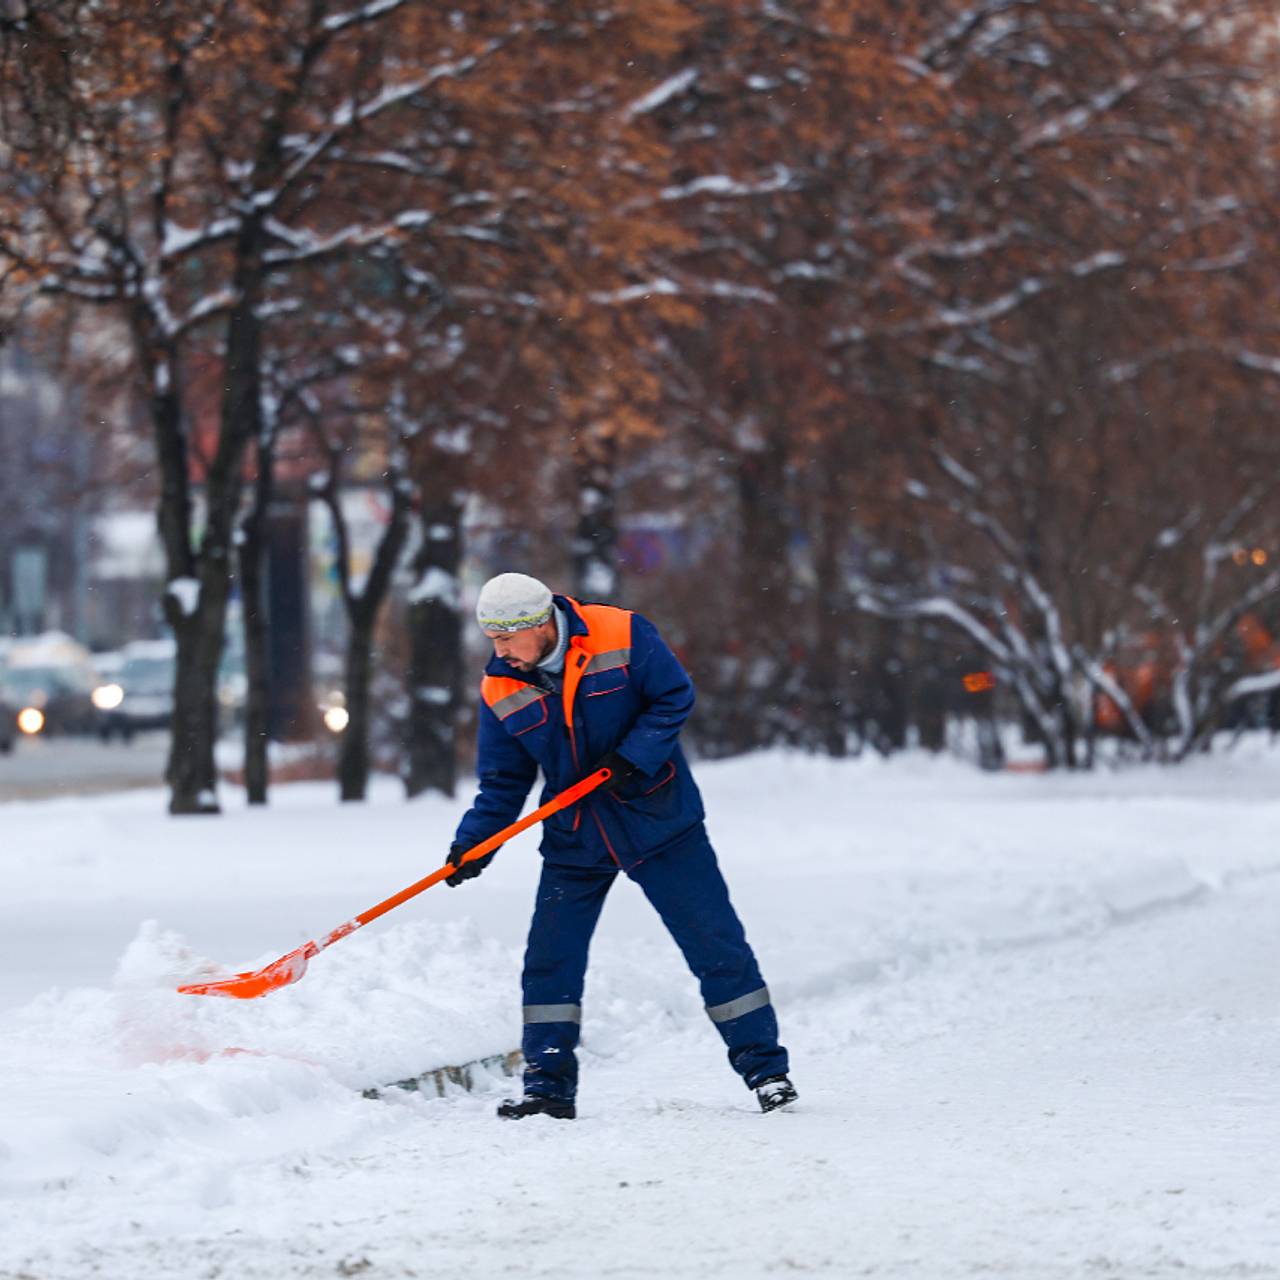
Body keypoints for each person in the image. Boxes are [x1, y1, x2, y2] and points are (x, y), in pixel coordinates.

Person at [448, 572, 795, 1119]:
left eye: (506, 639)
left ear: (538, 625)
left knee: (714, 945)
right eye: (492, 640)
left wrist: (635, 758)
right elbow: (503, 782)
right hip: (576, 837)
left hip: (659, 822)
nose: (499, 652)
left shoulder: (621, 634)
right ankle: (548, 1089)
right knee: (549, 961)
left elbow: (673, 695)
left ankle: (766, 1072)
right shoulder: (500, 686)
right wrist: (473, 844)